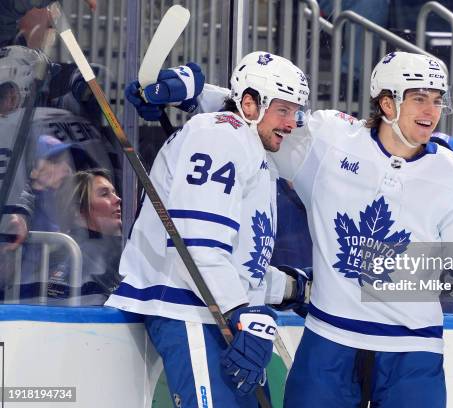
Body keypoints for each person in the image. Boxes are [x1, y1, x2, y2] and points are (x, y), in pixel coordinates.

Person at [132, 52, 453, 407]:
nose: (432, 111)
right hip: (329, 342)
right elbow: (259, 112)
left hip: (413, 350)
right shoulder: (329, 142)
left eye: (437, 99)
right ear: (387, 103)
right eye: (419, 98)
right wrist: (190, 95)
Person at [105, 52, 311, 407]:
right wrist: (239, 311)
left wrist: (292, 288)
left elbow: (240, 263)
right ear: (250, 104)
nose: (292, 123)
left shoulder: (249, 146)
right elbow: (199, 246)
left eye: (295, 112)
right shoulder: (220, 136)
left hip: (215, 313)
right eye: (283, 110)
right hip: (191, 311)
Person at [46, 168, 122, 305]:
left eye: (114, 193)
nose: (117, 199)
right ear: (78, 211)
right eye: (105, 194)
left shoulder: (121, 250)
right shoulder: (71, 254)